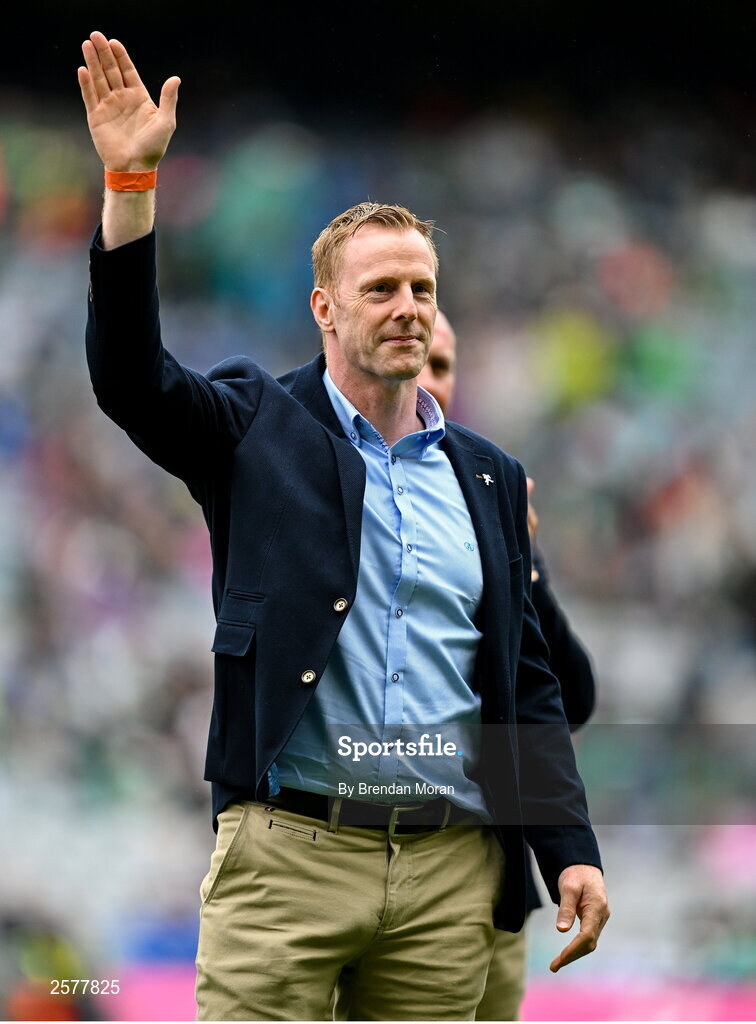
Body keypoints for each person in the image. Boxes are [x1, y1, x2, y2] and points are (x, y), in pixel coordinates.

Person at [78, 32, 609, 1021]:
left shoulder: (491, 477)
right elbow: (131, 381)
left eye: (422, 289)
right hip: (290, 857)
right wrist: (129, 184)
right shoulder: (254, 423)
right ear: (324, 308)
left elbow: (531, 689)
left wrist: (569, 851)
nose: (408, 309)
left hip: (450, 871)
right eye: (381, 289)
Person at [418, 312, 597, 1020]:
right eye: (420, 360)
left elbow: (568, 696)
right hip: (368, 860)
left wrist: (524, 569)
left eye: (443, 364)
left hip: (489, 875)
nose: (428, 379)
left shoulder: (488, 492)